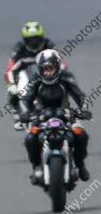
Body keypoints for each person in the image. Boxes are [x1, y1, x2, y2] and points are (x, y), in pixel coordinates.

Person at [17, 49, 92, 183]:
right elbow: (25, 100)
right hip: (41, 117)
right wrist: (25, 113)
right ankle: (36, 167)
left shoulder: (66, 78)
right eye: (44, 69)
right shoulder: (36, 81)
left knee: (81, 134)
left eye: (50, 68)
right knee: (30, 137)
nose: (47, 72)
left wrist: (83, 109)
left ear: (57, 67)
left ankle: (80, 164)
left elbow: (80, 96)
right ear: (40, 69)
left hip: (66, 115)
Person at [4, 22, 57, 112]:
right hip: (25, 75)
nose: (34, 42)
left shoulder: (49, 45)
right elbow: (9, 69)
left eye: (36, 39)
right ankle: (20, 113)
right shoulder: (19, 48)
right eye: (30, 40)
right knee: (15, 91)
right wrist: (11, 85)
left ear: (41, 37)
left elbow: (61, 63)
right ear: (25, 40)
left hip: (46, 74)